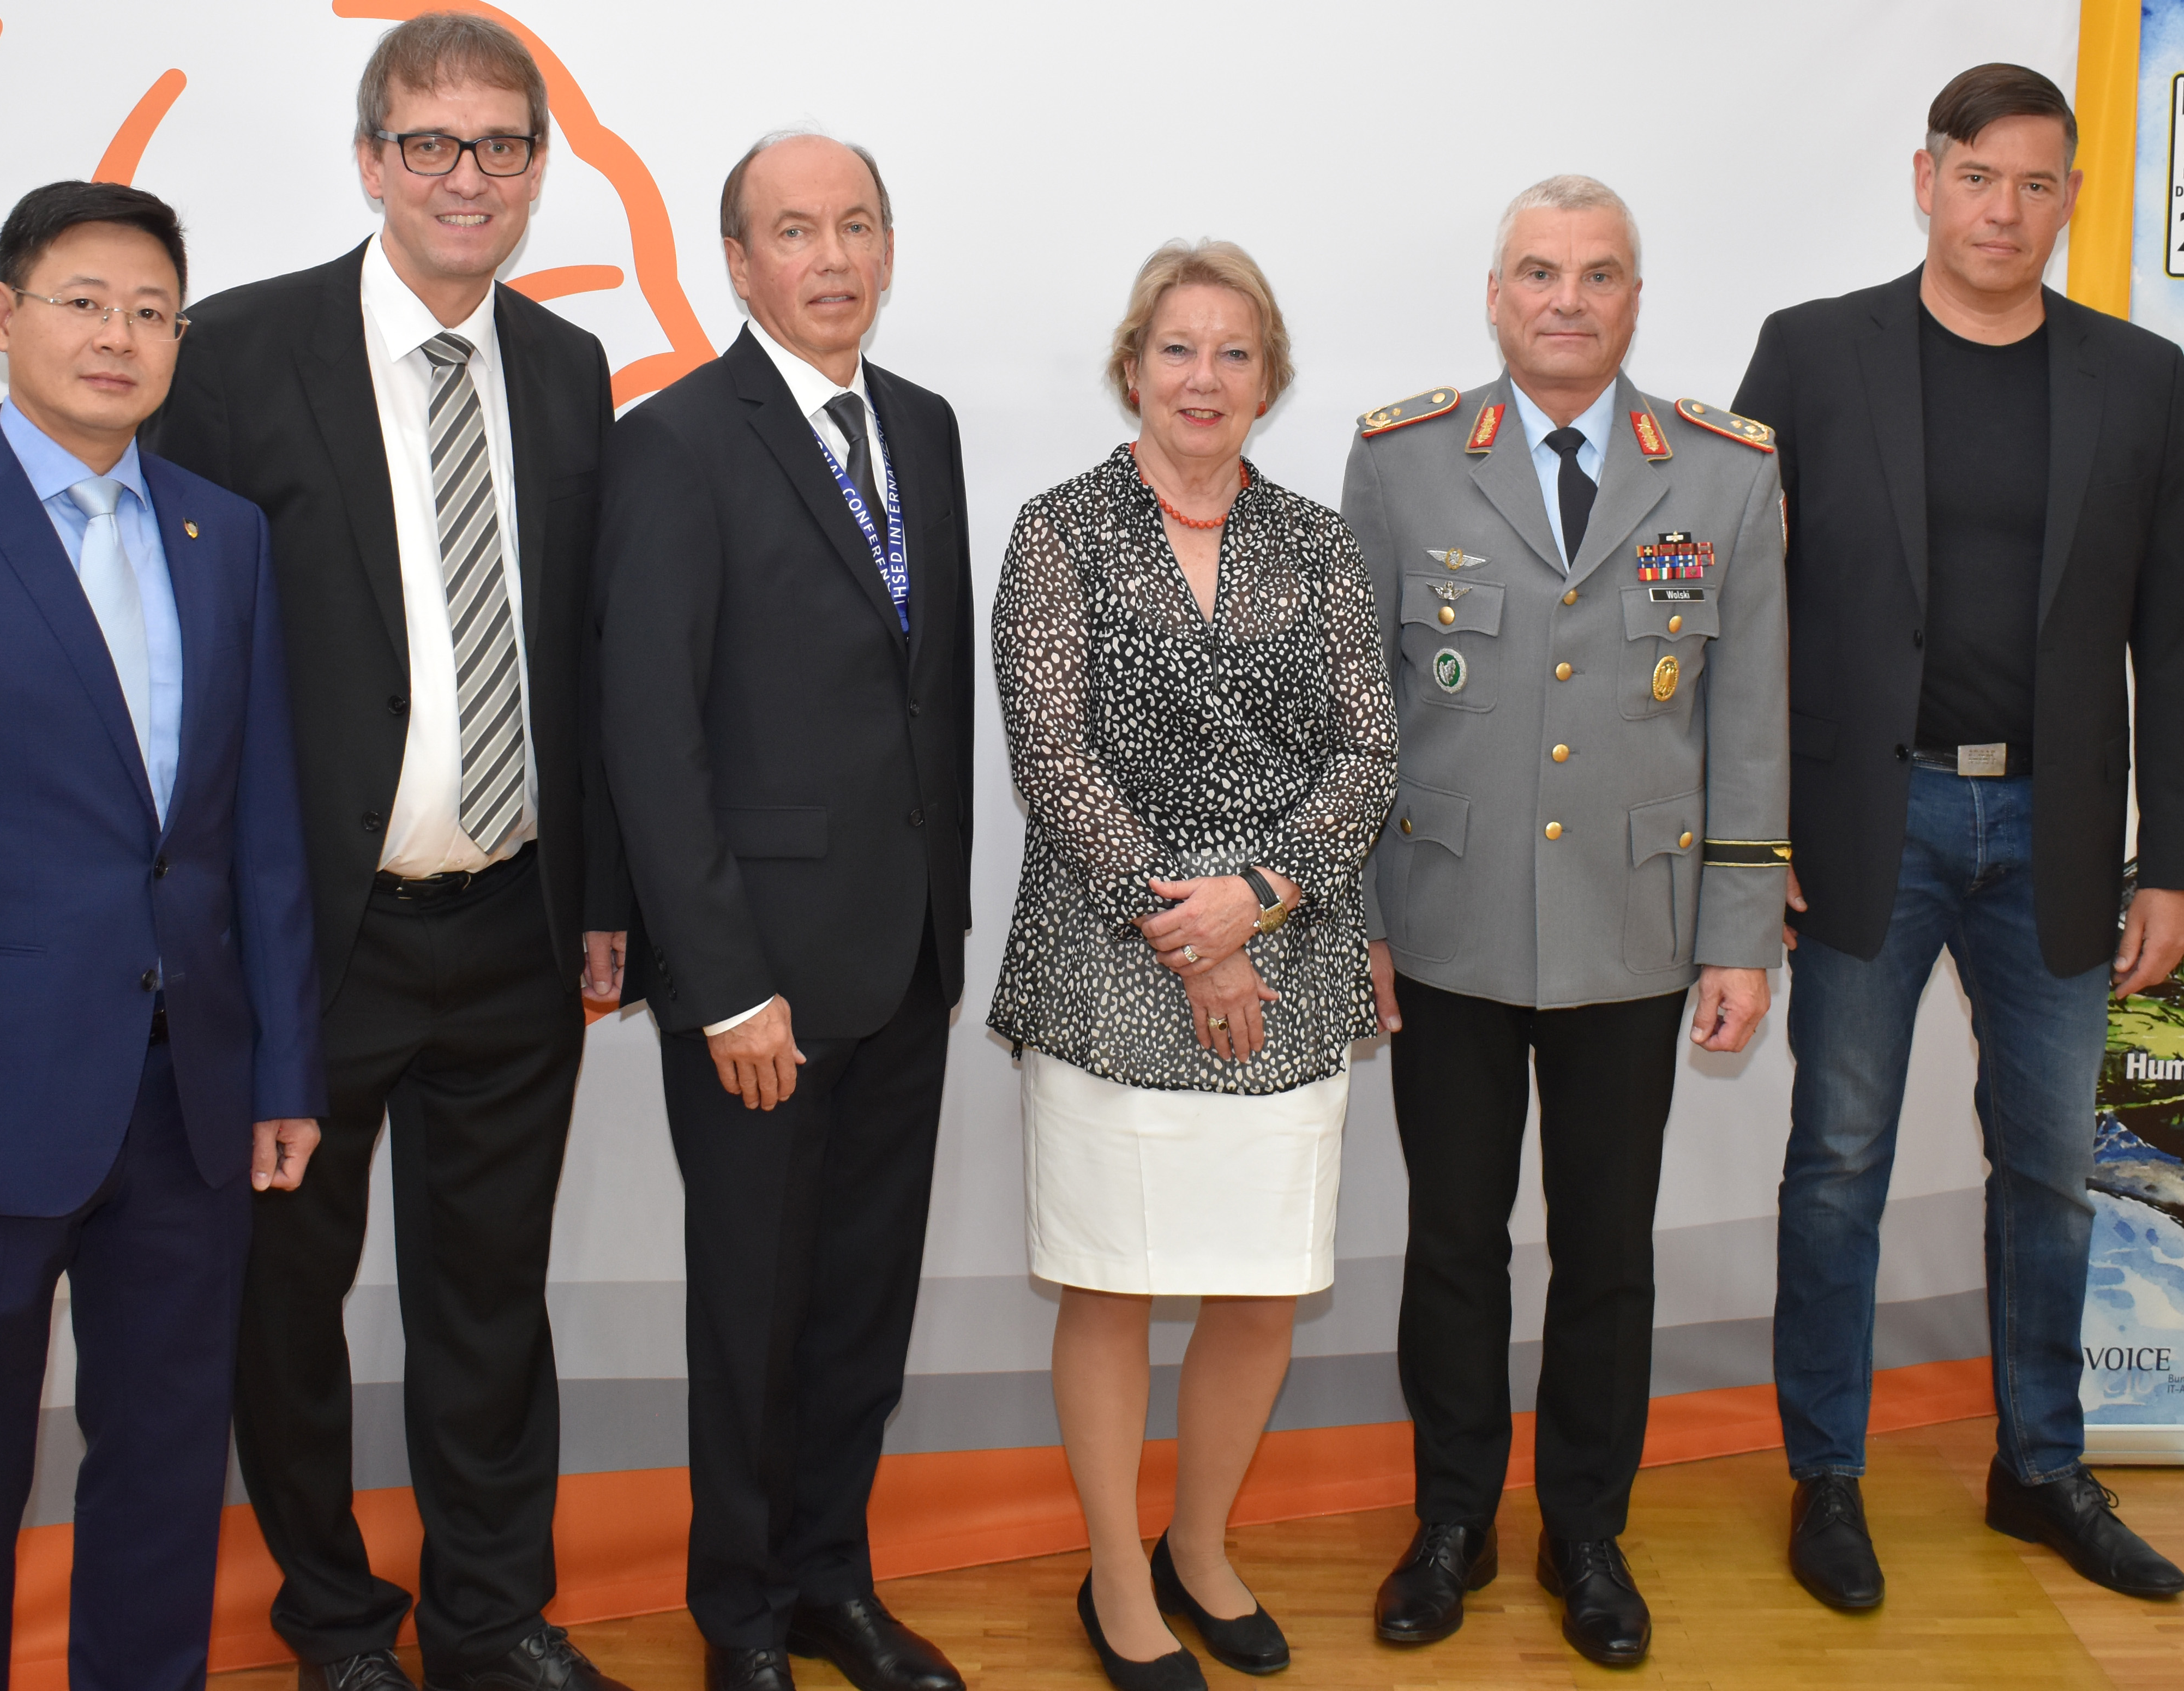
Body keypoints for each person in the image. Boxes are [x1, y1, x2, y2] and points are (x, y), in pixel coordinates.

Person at [140, 15, 632, 1691]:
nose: (467, 177)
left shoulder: (567, 370)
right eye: (430, 144)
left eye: (500, 145)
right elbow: (181, 671)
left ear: (537, 169)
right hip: (307, 944)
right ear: (369, 161)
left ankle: (491, 1619)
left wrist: (603, 899)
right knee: (288, 1307)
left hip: (514, 927)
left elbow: (582, 660)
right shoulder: (233, 358)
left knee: (491, 1303)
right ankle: (338, 1623)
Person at [0, 179, 323, 1691]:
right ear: (4, 318)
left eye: (153, 312)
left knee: (163, 1480)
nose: (120, 336)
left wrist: (284, 1069)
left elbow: (256, 830)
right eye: (85, 302)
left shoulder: (227, 536)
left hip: (191, 1103)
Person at [1730, 62, 2184, 1611]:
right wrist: (1754, 834)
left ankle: (2040, 1469)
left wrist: (2176, 859)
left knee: (2047, 1173)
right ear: (1924, 178)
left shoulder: (2137, 378)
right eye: (1976, 177)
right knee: (1839, 1164)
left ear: (2066, 200)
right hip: (1871, 819)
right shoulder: (1810, 358)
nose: (2002, 211)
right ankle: (1827, 1479)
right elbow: (1737, 612)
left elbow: (2177, 634)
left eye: (2034, 184)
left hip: (2061, 835)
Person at [1342, 175, 1791, 1668]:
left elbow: (1748, 720)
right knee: (1455, 1241)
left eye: (1598, 276)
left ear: (1634, 303)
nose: (1566, 299)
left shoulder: (1721, 476)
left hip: (1632, 933)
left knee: (1606, 1251)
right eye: (1538, 272)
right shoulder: (1403, 464)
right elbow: (1356, 718)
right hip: (1448, 921)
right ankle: (1453, 1520)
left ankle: (1586, 1531)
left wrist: (1739, 931)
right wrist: (1352, 913)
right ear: (1493, 293)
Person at [593, 131, 976, 1691]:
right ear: (735, 262)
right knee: (751, 1317)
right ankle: (739, 1613)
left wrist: (944, 928)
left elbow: (922, 699)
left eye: (857, 226)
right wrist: (724, 981)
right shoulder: (676, 441)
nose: (831, 259)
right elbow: (649, 731)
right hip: (761, 983)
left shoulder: (927, 429)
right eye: (794, 232)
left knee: (858, 1312)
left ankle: (833, 1579)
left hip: (902, 964)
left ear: (889, 247)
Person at [990, 240, 1397, 1691]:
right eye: (1177, 349)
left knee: (1255, 1286)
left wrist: (1259, 902)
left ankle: (1201, 1547)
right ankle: (1117, 1579)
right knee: (1108, 1285)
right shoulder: (1057, 532)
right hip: (1108, 963)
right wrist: (1188, 931)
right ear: (1131, 367)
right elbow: (1052, 758)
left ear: (1269, 381)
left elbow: (1367, 753)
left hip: (1285, 960)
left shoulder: (1319, 544)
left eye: (1233, 353)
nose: (1203, 377)